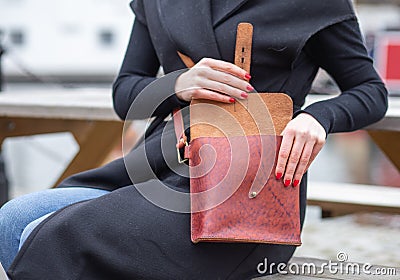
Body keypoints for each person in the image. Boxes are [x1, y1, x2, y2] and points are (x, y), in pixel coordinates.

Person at [1, 0, 388, 279]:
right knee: (11, 220)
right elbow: (126, 93)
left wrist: (317, 118)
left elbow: (370, 91)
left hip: (248, 198)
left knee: (52, 236)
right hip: (155, 166)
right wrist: (178, 84)